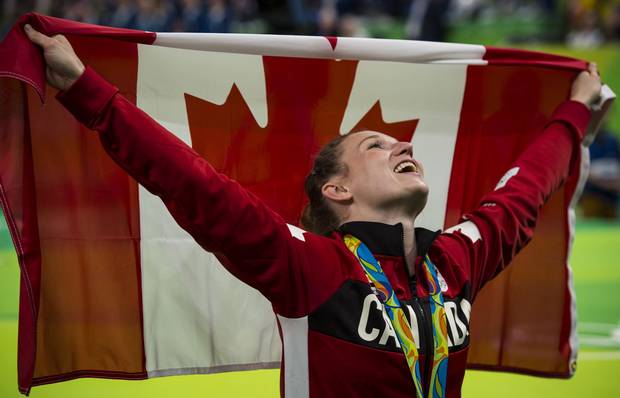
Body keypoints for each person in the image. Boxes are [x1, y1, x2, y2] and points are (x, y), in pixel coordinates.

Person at [23, 23, 602, 398]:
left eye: (398, 141)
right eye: (375, 145)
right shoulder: (311, 267)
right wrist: (87, 92)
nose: (403, 145)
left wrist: (575, 120)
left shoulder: (453, 263)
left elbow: (523, 194)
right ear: (337, 191)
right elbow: (194, 185)